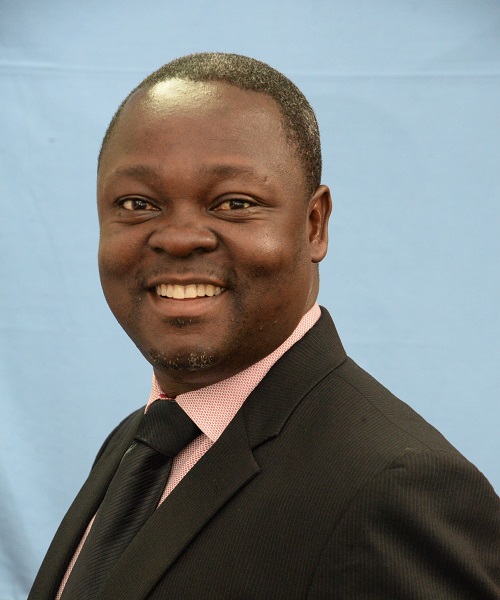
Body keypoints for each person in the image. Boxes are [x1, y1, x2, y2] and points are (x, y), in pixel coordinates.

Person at [29, 52, 499, 600]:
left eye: (234, 203)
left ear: (314, 225)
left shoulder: (394, 488)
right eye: (138, 203)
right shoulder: (142, 443)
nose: (179, 238)